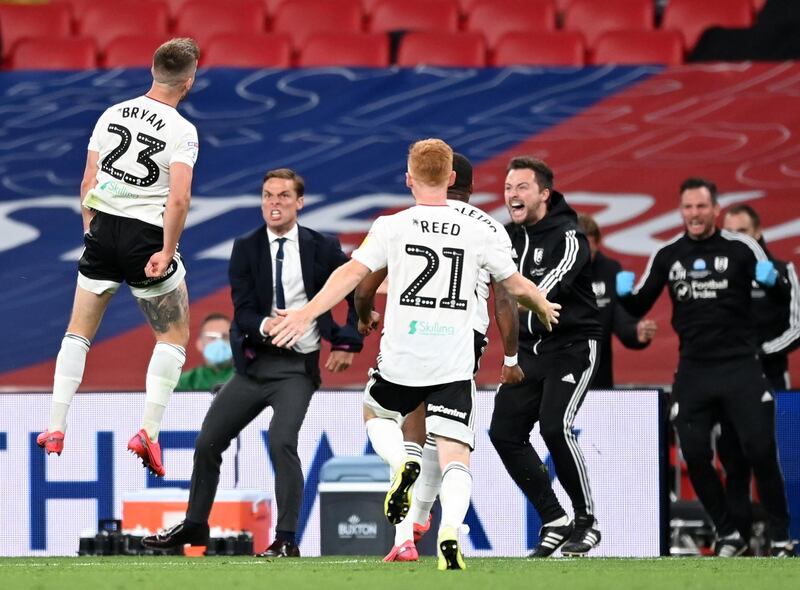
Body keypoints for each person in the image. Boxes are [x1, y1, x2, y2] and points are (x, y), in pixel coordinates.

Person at [267, 139, 560, 570]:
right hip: (456, 353)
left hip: (405, 349)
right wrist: (540, 302)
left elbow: (355, 275)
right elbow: (512, 287)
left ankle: (401, 472)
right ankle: (449, 531)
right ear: (453, 178)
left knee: (379, 416)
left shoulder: (393, 226)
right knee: (454, 451)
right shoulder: (483, 229)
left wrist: (307, 312)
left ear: (408, 179)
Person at [141, 168, 364, 557]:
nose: (273, 203)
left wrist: (346, 343)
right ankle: (195, 527)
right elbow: (242, 311)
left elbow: (354, 293)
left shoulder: (323, 247)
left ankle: (286, 539)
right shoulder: (246, 247)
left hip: (296, 370)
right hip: (253, 367)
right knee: (208, 442)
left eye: (281, 196)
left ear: (299, 202)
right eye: (267, 196)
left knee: (281, 442)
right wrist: (265, 324)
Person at [36, 38, 201, 478]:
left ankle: (54, 425)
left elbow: (89, 178)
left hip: (103, 226)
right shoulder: (182, 130)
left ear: (152, 68)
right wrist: (166, 250)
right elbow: (179, 199)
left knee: (78, 331)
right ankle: (148, 430)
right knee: (172, 336)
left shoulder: (112, 113)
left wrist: (91, 225)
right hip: (146, 235)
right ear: (189, 81)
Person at [354, 153, 523, 562]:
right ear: (465, 184)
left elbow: (364, 284)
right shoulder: (488, 228)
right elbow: (507, 296)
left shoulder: (403, 221)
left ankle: (405, 536)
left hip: (412, 335)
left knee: (406, 430)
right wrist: (512, 355)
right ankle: (431, 521)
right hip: (464, 340)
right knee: (450, 439)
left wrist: (364, 316)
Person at [616, 178, 794, 557]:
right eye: (687, 208)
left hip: (741, 366)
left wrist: (773, 280)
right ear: (681, 211)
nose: (694, 215)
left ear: (715, 210)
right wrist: (623, 295)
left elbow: (781, 297)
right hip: (694, 369)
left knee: (760, 450)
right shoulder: (667, 254)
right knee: (694, 454)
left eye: (701, 207)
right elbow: (638, 305)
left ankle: (780, 537)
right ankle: (728, 532)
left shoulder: (743, 247)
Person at [489, 157, 604, 558]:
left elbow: (547, 288)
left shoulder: (570, 236)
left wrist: (522, 304)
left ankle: (587, 522)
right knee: (503, 433)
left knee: (555, 428)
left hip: (571, 348)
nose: (512, 195)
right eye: (508, 188)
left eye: (521, 187)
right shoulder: (502, 237)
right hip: (529, 353)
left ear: (544, 194)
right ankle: (554, 518)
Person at [712, 204, 800, 552]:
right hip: (727, 384)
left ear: (759, 233)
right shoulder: (720, 276)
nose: (737, 240)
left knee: (770, 462)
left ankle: (782, 537)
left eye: (743, 232)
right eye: (731, 233)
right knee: (733, 465)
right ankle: (740, 541)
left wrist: (759, 354)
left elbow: (797, 328)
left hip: (769, 384)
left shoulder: (780, 270)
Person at [576, 213, 657, 389]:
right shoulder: (549, 272)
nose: (582, 258)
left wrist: (637, 332)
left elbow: (621, 318)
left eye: (587, 251)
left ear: (597, 245)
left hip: (597, 377)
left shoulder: (610, 270)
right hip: (556, 374)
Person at [175, 313, 234, 392]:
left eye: (225, 336)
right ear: (199, 344)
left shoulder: (248, 379)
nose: (219, 342)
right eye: (212, 338)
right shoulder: (185, 381)